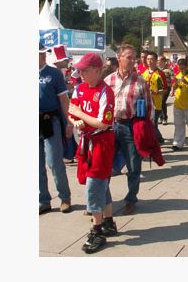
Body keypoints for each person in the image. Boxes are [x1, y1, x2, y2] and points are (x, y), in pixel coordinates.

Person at [67, 52, 117, 254]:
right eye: (80, 70)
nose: (81, 73)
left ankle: (97, 230)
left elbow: (103, 123)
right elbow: (71, 111)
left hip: (101, 142)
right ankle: (108, 221)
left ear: (97, 71)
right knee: (100, 182)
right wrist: (75, 120)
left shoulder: (106, 91)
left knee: (94, 183)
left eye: (85, 70)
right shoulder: (79, 88)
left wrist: (80, 115)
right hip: (86, 141)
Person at [104, 44, 150, 216]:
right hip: (109, 126)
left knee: (133, 165)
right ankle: (101, 199)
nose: (133, 61)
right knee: (105, 164)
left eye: (134, 57)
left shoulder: (140, 82)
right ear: (119, 57)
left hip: (130, 126)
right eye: (129, 57)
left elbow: (149, 108)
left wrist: (145, 128)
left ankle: (131, 199)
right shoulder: (108, 80)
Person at [39, 44, 73, 215]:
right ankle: (43, 200)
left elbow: (64, 100)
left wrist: (69, 122)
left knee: (54, 162)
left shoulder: (53, 74)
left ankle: (65, 197)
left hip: (50, 121)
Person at [141, 52, 168, 143]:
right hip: (145, 103)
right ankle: (158, 139)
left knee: (153, 123)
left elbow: (165, 89)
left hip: (156, 103)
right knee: (148, 123)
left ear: (156, 61)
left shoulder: (160, 73)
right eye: (148, 59)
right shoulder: (144, 73)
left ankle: (156, 140)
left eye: (152, 59)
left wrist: (157, 92)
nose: (149, 61)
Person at [171, 58, 188, 150]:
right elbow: (174, 87)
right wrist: (174, 86)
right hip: (178, 103)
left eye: (183, 68)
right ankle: (177, 143)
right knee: (178, 124)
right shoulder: (178, 75)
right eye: (179, 68)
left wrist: (187, 82)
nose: (181, 70)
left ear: (186, 66)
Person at [158, 55, 173, 125]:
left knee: (162, 101)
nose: (158, 62)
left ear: (164, 62)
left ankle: (164, 118)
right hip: (159, 88)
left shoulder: (169, 70)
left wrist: (173, 89)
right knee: (159, 102)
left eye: (160, 60)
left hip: (167, 88)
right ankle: (161, 117)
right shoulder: (157, 70)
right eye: (158, 60)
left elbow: (173, 79)